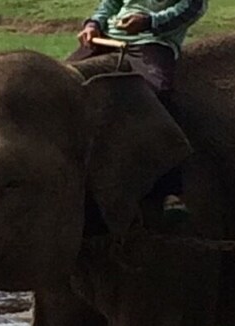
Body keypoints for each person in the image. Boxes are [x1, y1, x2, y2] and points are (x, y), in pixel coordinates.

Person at [71, 0, 207, 223]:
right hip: (107, 38)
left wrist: (150, 22)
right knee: (59, 81)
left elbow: (192, 8)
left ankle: (170, 189)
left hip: (152, 41)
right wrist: (93, 24)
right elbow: (111, 3)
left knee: (157, 95)